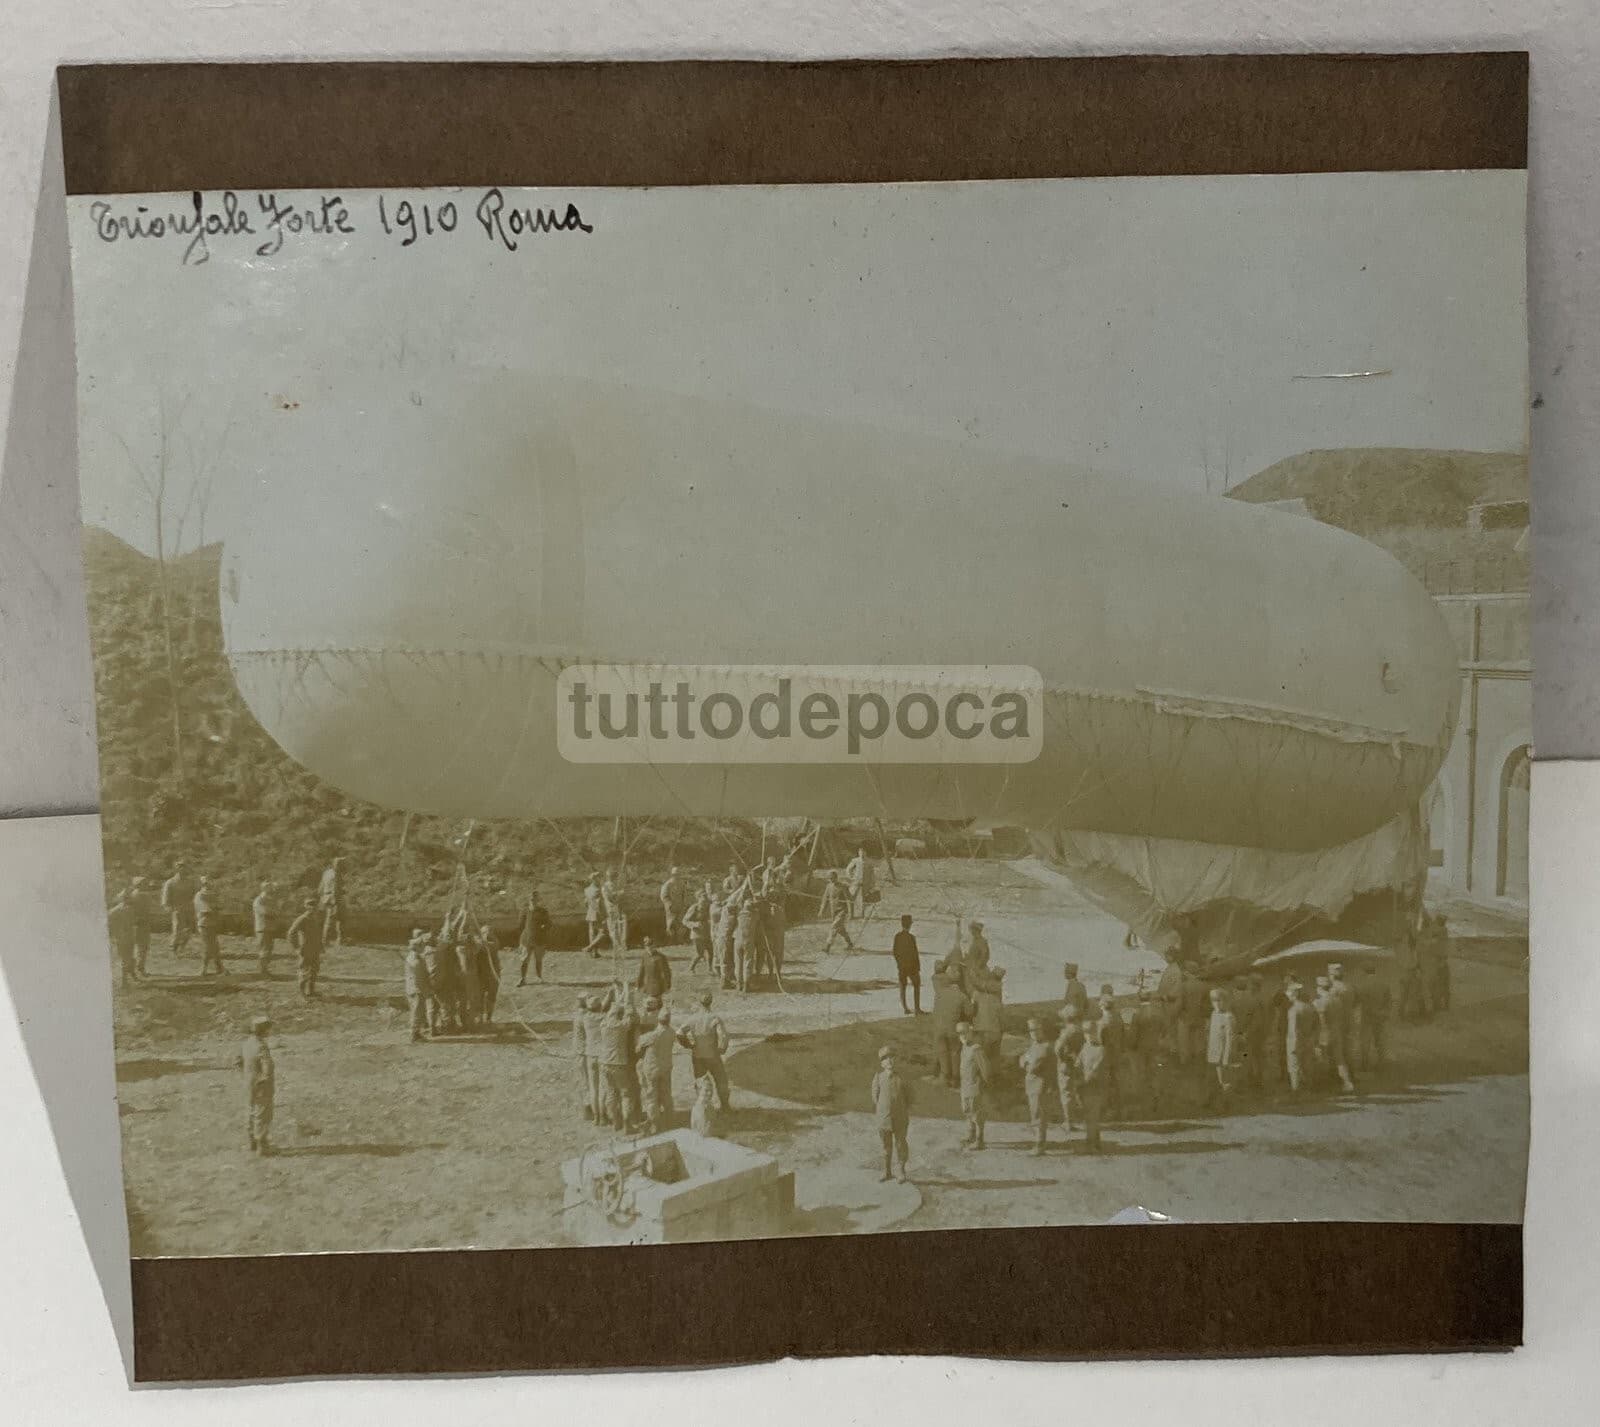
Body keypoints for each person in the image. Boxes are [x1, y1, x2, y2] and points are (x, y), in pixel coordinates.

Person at [595, 985, 641, 1130]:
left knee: (610, 1093)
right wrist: (626, 991)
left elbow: (610, 1011)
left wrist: (617, 991)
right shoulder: (622, 1026)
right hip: (619, 1063)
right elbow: (629, 1012)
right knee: (625, 1093)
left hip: (604, 1063)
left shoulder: (603, 1025)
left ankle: (615, 1121)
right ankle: (627, 1124)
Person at [676, 992, 731, 1111]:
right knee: (721, 1080)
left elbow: (679, 1033)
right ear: (711, 1002)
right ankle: (725, 1106)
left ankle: (703, 1107)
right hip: (713, 1055)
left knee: (701, 1081)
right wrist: (722, 1049)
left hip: (697, 1055)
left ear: (700, 1003)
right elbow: (723, 1036)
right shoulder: (715, 1018)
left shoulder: (692, 1018)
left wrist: (688, 1045)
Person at [870, 1046, 912, 1182]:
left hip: (900, 1118)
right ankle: (886, 1171)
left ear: (895, 1059)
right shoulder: (878, 1077)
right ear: (881, 1063)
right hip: (884, 1119)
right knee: (885, 1146)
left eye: (891, 1057)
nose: (889, 1060)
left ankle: (901, 1171)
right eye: (885, 1058)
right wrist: (883, 1110)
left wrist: (902, 1109)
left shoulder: (902, 1078)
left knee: (901, 1144)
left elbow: (910, 1097)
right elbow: (875, 1097)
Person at [1017, 1018, 1058, 1155]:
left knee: (1038, 1115)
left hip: (1041, 1086)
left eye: (1036, 1029)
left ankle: (1040, 1145)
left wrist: (1026, 1061)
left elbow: (1032, 1067)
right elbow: (1021, 1059)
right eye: (1030, 1030)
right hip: (1032, 1085)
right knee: (1035, 1114)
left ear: (1042, 1030)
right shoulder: (1034, 1045)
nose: (1033, 1032)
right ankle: (1038, 1143)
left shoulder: (1045, 1047)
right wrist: (1026, 1061)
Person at [634, 1006, 678, 1133]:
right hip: (666, 1068)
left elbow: (637, 1048)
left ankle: (655, 1124)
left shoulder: (652, 1035)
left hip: (652, 1069)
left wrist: (637, 1030)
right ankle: (670, 1122)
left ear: (658, 1020)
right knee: (666, 1095)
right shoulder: (672, 1032)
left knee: (651, 1097)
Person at [930, 954, 972, 1087]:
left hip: (939, 1028)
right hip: (953, 1029)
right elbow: (969, 1013)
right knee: (955, 1052)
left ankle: (944, 1076)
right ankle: (955, 1079)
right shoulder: (962, 996)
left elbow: (937, 975)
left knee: (942, 1051)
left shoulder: (939, 991)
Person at [238, 1015, 276, 1155]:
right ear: (263, 1030)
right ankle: (262, 1146)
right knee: (262, 1113)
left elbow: (238, 1061)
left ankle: (251, 1143)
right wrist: (264, 1078)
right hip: (261, 1085)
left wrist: (246, 1075)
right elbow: (267, 1066)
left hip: (249, 1083)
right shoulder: (261, 1046)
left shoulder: (246, 1044)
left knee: (250, 1111)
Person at [1076, 1018, 1110, 1153]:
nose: (1088, 1035)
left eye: (1091, 1032)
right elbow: (1078, 1063)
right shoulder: (1085, 1047)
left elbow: (1096, 1070)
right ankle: (1096, 1143)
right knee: (1089, 1116)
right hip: (1085, 1087)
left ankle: (1090, 1145)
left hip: (1096, 1087)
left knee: (1092, 1116)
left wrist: (1082, 1080)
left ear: (1096, 1032)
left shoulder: (1101, 1050)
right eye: (1086, 1032)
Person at [957, 1021, 990, 1149]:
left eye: (965, 1032)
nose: (963, 1036)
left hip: (975, 1087)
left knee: (977, 1115)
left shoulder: (976, 1049)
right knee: (967, 1111)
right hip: (965, 1087)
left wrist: (983, 1085)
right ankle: (971, 1136)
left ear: (970, 1033)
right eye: (960, 1033)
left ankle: (979, 1140)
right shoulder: (964, 1048)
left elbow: (985, 1070)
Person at [1204, 987, 1237, 1109]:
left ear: (1225, 1001)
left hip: (1222, 1054)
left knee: (1223, 1080)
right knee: (1211, 1079)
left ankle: (1225, 1103)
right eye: (1214, 1001)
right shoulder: (1214, 1014)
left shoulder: (1228, 1017)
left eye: (1219, 1000)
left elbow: (1230, 1039)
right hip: (1212, 1053)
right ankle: (1211, 1100)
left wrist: (1226, 1057)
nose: (1216, 1004)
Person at [972, 966, 1005, 1083]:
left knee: (984, 1057)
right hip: (996, 1029)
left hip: (982, 1030)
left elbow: (973, 1011)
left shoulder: (977, 994)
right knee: (995, 1056)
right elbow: (1001, 1015)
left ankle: (986, 1080)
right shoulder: (997, 995)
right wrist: (1002, 1029)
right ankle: (996, 1078)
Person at [1054, 1011, 1085, 1131]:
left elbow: (1058, 1049)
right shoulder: (1081, 1030)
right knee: (1079, 1091)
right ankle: (1085, 1119)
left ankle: (1068, 1122)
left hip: (1067, 1064)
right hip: (1080, 1063)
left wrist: (1062, 1059)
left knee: (1066, 1093)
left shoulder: (1066, 1032)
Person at [1284, 980, 1318, 1095]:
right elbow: (1316, 1025)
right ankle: (1309, 1088)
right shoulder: (1310, 1007)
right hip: (1308, 1039)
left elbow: (1293, 1030)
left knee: (1294, 1066)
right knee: (1307, 1064)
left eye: (1289, 993)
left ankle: (1295, 1090)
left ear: (1294, 994)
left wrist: (1294, 1046)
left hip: (1296, 1041)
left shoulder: (1293, 1010)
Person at [1357, 964, 1392, 1069]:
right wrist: (1384, 1013)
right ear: (1374, 971)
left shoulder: (1363, 986)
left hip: (1367, 1016)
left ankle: (1365, 1063)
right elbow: (1389, 1001)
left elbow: (1359, 1001)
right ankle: (1382, 1062)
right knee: (1380, 1040)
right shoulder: (1384, 984)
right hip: (1380, 1015)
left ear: (1365, 972)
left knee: (1365, 1040)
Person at [287, 896, 324, 998]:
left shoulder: (315, 918)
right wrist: (296, 948)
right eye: (310, 905)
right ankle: (302, 994)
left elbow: (317, 934)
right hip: (305, 949)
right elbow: (291, 933)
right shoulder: (302, 919)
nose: (313, 907)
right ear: (306, 906)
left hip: (315, 949)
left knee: (314, 970)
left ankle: (310, 991)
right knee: (304, 971)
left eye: (315, 905)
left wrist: (321, 946)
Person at [161, 862, 196, 960]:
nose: (182, 870)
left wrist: (195, 906)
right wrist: (167, 906)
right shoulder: (170, 882)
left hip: (189, 909)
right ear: (176, 869)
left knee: (189, 931)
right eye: (180, 868)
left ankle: (181, 948)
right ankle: (173, 949)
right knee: (177, 930)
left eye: (184, 867)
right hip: (177, 910)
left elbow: (194, 895)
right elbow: (165, 897)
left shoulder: (190, 882)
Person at [516, 889, 551, 984]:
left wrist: (543, 927)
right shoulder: (524, 911)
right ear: (529, 900)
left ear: (538, 900)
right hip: (526, 939)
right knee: (524, 959)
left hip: (539, 939)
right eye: (532, 899)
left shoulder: (543, 911)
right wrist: (525, 934)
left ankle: (539, 977)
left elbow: (549, 924)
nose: (533, 901)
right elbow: (520, 925)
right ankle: (522, 979)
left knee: (538, 960)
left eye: (536, 899)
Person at [403, 931, 432, 1042]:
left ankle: (417, 1033)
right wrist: (426, 990)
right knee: (416, 1013)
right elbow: (420, 978)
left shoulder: (414, 957)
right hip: (416, 990)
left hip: (413, 989)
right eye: (422, 946)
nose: (424, 948)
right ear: (418, 947)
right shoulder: (416, 960)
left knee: (417, 1012)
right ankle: (414, 1035)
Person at [892, 914, 923, 1015]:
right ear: (910, 925)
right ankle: (917, 1009)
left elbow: (895, 952)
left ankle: (905, 1008)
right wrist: (917, 967)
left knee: (903, 986)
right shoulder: (911, 937)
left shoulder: (897, 936)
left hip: (902, 966)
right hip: (912, 967)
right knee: (916, 985)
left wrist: (899, 963)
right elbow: (915, 954)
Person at [193, 877, 224, 975]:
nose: (208, 885)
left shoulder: (213, 894)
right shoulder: (199, 895)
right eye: (206, 883)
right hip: (204, 923)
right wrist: (215, 907)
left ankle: (218, 968)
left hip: (213, 923)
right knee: (207, 946)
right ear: (202, 884)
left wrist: (215, 907)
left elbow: (221, 905)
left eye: (209, 883)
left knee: (215, 946)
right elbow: (206, 909)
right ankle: (204, 969)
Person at [572, 994, 596, 1120]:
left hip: (579, 1051)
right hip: (584, 1052)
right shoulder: (585, 1017)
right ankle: (588, 1110)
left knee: (583, 1080)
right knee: (587, 1080)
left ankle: (587, 1109)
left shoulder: (578, 1014)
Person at [818, 871, 854, 952]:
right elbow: (825, 899)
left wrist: (850, 912)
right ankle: (850, 943)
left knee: (834, 927)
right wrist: (821, 911)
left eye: (832, 878)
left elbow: (848, 900)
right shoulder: (828, 886)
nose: (831, 880)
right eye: (829, 878)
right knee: (841, 930)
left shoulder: (843, 886)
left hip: (842, 911)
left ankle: (827, 947)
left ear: (836, 878)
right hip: (834, 912)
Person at [108, 891, 137, 985]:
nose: (128, 899)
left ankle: (130, 975)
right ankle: (124, 981)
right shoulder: (125, 909)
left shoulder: (115, 910)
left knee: (128, 957)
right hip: (124, 937)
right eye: (127, 898)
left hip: (124, 936)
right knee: (126, 958)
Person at [126, 877, 153, 978]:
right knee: (141, 947)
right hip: (139, 924)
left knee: (141, 947)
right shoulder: (138, 895)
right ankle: (138, 969)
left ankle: (137, 968)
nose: (147, 885)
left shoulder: (137, 895)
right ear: (138, 885)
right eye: (144, 883)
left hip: (140, 924)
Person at [317, 856, 346, 948]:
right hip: (334, 898)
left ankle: (338, 939)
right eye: (341, 864)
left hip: (327, 897)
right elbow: (335, 888)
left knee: (338, 919)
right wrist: (335, 901)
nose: (342, 866)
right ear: (337, 865)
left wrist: (322, 898)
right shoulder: (336, 874)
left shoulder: (327, 872)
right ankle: (325, 941)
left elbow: (320, 887)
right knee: (333, 919)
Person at [476, 926, 502, 1024]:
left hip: (493, 974)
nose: (487, 934)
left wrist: (483, 942)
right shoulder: (478, 942)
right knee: (480, 995)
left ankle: (489, 1017)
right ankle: (479, 1017)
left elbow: (492, 946)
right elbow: (477, 947)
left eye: (490, 931)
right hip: (481, 974)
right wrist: (479, 942)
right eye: (484, 932)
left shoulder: (495, 941)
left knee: (491, 996)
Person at [636, 936, 673, 1001]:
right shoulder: (645, 956)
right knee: (650, 1003)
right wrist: (638, 984)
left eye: (651, 946)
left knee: (656, 1002)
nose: (649, 948)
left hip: (658, 985)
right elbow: (642, 971)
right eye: (647, 946)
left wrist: (668, 986)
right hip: (647, 984)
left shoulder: (661, 957)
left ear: (654, 946)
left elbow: (667, 973)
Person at [684, 891, 713, 972]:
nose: (705, 898)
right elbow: (685, 920)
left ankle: (710, 969)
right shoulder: (694, 907)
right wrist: (695, 924)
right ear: (698, 897)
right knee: (699, 954)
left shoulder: (709, 906)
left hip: (707, 932)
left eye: (706, 896)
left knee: (711, 951)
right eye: (703, 896)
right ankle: (691, 968)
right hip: (697, 934)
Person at [252, 881, 276, 977]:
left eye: (271, 887)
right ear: (264, 888)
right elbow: (265, 912)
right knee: (264, 950)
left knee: (269, 949)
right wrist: (274, 911)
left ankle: (265, 970)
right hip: (262, 928)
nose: (271, 889)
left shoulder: (270, 900)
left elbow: (276, 911)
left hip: (270, 928)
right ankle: (263, 971)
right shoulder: (259, 900)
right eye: (269, 887)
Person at [731, 897, 754, 992]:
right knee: (747, 962)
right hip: (748, 941)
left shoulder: (738, 914)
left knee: (738, 962)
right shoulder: (754, 915)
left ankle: (738, 983)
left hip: (738, 940)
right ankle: (746, 984)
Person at [582, 875, 605, 956]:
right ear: (594, 879)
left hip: (590, 912)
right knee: (602, 932)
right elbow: (599, 904)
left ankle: (594, 953)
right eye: (599, 878)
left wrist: (590, 908)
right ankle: (589, 947)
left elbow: (585, 902)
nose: (600, 880)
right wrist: (603, 915)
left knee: (592, 932)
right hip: (597, 913)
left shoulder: (586, 890)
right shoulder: (598, 890)